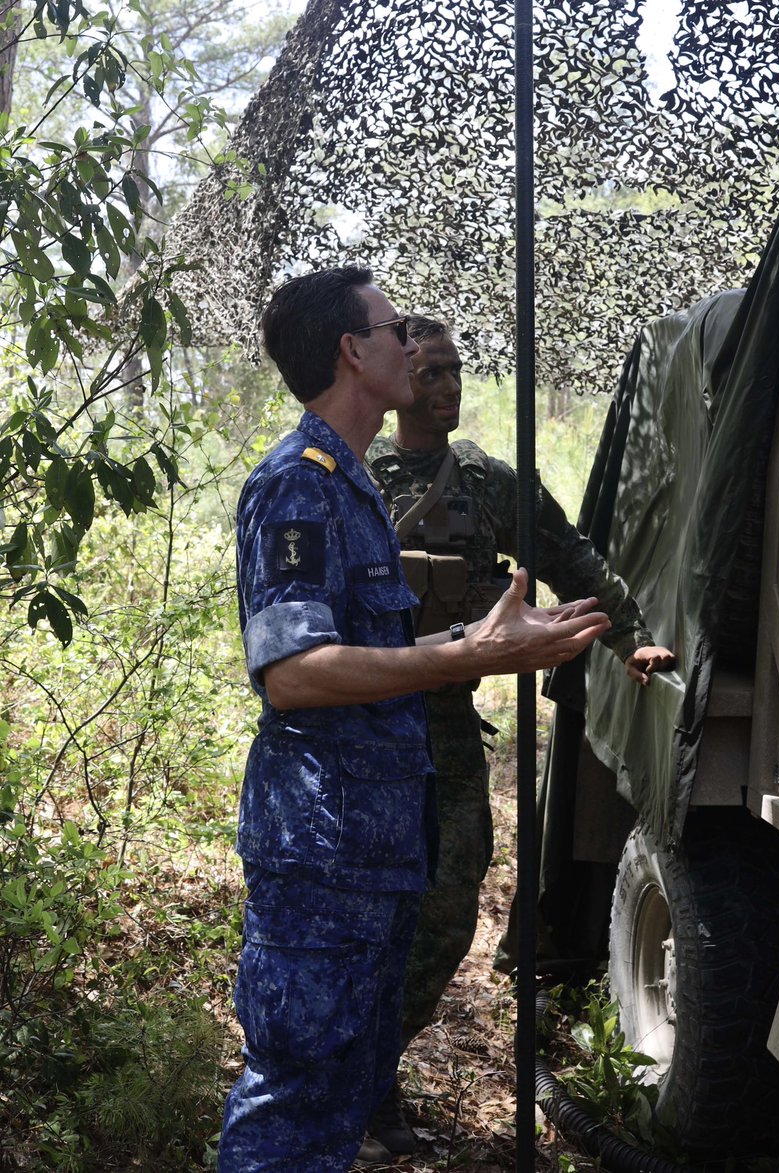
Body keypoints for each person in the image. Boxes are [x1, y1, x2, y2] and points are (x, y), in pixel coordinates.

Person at [218, 268, 611, 1173]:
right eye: (395, 331)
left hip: (379, 839)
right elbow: (292, 672)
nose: (412, 346)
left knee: (345, 1087)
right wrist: (468, 655)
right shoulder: (298, 487)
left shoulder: (350, 483)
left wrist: (484, 634)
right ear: (355, 352)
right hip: (323, 851)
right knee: (296, 1097)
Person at [357, 315, 674, 1160]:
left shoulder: (490, 484)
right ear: (396, 381)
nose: (448, 389)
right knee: (360, 911)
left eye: (456, 372)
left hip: (445, 727)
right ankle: (349, 1080)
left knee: (449, 904)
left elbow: (574, 558)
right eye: (430, 374)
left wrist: (628, 633)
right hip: (356, 725)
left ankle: (371, 1063)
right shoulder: (352, 477)